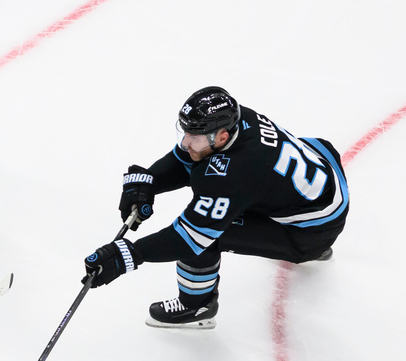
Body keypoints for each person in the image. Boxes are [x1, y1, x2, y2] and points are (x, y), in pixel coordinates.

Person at [82, 86, 349, 329]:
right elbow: (188, 159)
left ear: (222, 137)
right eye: (185, 133)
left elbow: (188, 239)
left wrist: (129, 254)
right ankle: (305, 232)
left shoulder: (237, 174)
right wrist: (150, 182)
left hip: (309, 233)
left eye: (194, 137)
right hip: (321, 182)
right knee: (221, 191)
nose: (185, 143)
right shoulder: (237, 119)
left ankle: (197, 306)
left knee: (209, 235)